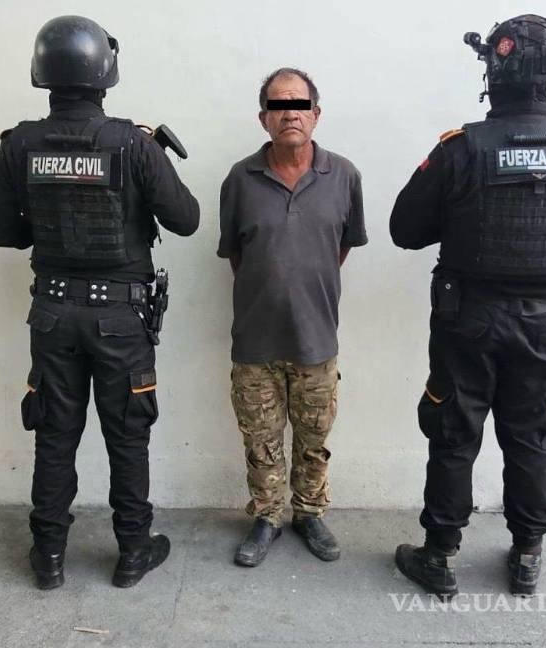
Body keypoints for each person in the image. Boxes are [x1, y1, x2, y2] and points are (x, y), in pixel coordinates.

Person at [389, 15, 546, 598]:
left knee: (454, 431)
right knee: (530, 433)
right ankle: (526, 555)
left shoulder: (462, 148)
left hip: (467, 320)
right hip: (545, 323)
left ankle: (439, 556)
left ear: (492, 74)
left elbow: (404, 230)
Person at [0, 15, 200, 589]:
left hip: (52, 316)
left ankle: (48, 557)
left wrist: (41, 227)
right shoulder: (134, 143)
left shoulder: (19, 144)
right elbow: (187, 219)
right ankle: (132, 552)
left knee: (54, 436)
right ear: (106, 72)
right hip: (121, 317)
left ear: (42, 74)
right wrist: (152, 162)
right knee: (128, 436)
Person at [217, 68, 367, 566]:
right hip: (255, 341)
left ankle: (309, 514)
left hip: (316, 339)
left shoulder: (344, 176)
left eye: (299, 105)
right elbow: (237, 254)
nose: (290, 114)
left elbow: (341, 246)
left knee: (313, 440)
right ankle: (267, 517)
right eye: (278, 106)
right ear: (264, 118)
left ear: (315, 114)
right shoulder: (240, 179)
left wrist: (305, 283)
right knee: (260, 441)